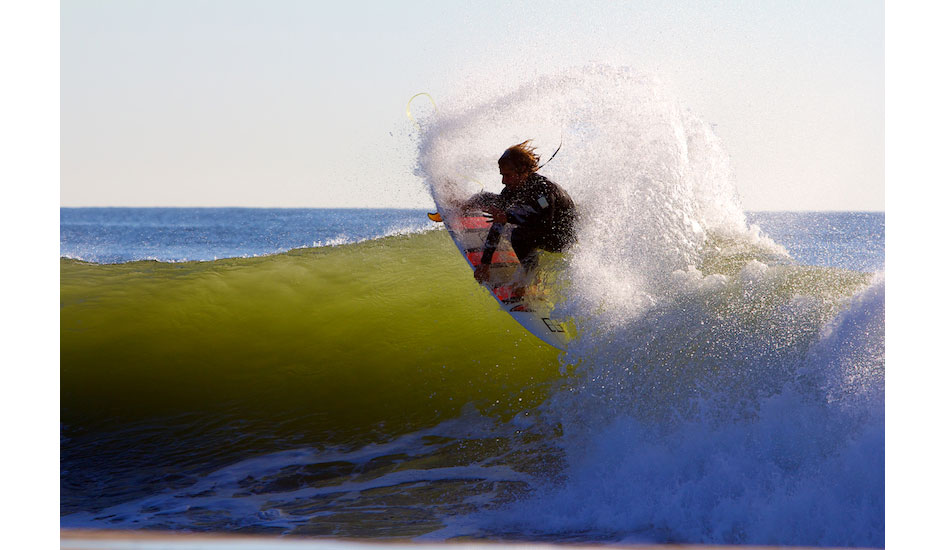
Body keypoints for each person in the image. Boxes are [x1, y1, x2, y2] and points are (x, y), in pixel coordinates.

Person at [471, 140, 577, 284]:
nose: (503, 181)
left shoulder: (543, 191)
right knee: (485, 198)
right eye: (502, 175)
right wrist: (485, 263)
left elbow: (544, 222)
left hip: (561, 237)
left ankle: (530, 277)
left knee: (518, 235)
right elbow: (498, 222)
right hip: (543, 228)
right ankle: (460, 206)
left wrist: (509, 217)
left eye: (508, 175)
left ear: (523, 170)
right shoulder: (511, 190)